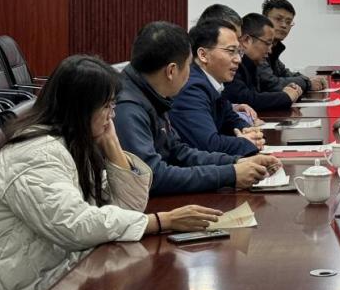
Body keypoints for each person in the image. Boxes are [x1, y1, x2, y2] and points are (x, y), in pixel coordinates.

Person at [0, 55, 222, 290]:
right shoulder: (35, 154)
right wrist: (161, 221)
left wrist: (112, 144)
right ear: (80, 108)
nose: (112, 116)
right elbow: (74, 225)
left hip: (38, 279)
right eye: (107, 107)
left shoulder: (74, 143)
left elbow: (128, 208)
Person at [114, 21, 280, 195]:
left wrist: (236, 162)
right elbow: (152, 177)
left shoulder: (152, 94)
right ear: (171, 71)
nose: (191, 72)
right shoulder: (128, 108)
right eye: (188, 66)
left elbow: (178, 152)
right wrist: (230, 174)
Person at [169, 20, 265, 156]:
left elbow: (233, 120)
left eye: (239, 52)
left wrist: (250, 132)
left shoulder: (213, 84)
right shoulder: (191, 88)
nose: (238, 59)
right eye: (231, 51)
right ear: (203, 55)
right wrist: (245, 142)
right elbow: (207, 144)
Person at [225, 13, 303, 111]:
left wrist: (285, 92)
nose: (270, 51)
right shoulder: (232, 64)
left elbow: (259, 94)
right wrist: (285, 96)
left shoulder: (252, 64)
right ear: (246, 41)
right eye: (267, 43)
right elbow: (245, 99)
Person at [259, 0, 326, 93]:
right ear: (264, 19)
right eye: (278, 19)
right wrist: (308, 83)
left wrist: (308, 79)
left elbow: (284, 73)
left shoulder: (274, 48)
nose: (284, 25)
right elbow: (270, 83)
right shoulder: (257, 47)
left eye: (288, 22)